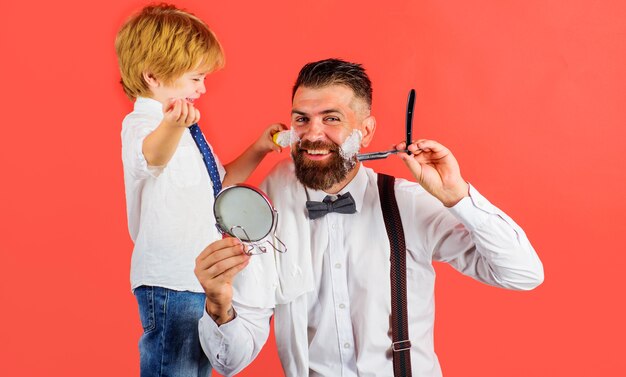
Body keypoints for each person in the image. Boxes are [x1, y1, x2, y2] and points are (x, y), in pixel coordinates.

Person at [194, 58, 544, 377]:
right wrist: (218, 303)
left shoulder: (406, 203)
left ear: (366, 132)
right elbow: (230, 361)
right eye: (302, 119)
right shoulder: (266, 214)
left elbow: (523, 274)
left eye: (331, 118)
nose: (313, 134)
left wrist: (458, 197)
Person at [115, 4, 284, 376]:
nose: (203, 88)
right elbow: (151, 157)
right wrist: (173, 127)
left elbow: (218, 184)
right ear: (154, 76)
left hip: (198, 280)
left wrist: (259, 147)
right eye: (196, 78)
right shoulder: (143, 123)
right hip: (170, 282)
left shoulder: (185, 128)